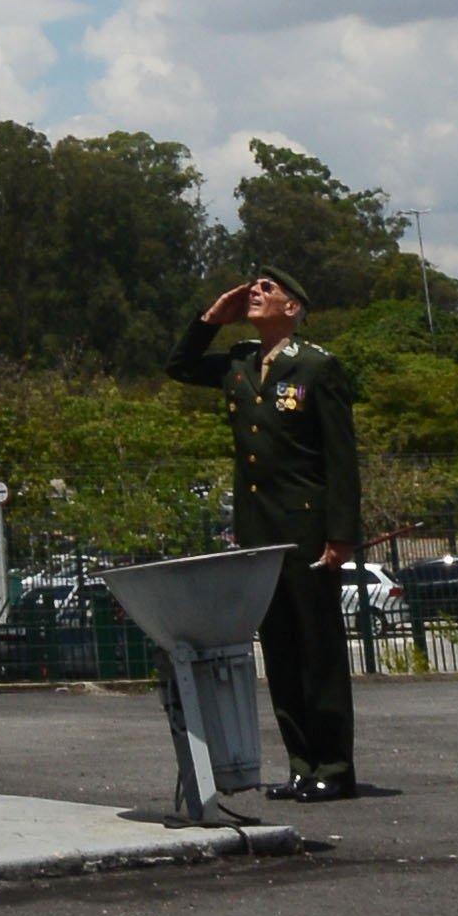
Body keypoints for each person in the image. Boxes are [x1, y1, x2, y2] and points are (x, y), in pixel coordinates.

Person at [168, 268, 361, 800]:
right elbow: (179, 367)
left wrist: (342, 534)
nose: (256, 293)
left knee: (317, 649)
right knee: (277, 649)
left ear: (294, 307)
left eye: (267, 289)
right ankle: (301, 763)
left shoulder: (318, 368)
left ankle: (335, 767)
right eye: (252, 288)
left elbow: (341, 459)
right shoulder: (239, 364)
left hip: (306, 526)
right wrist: (211, 319)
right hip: (258, 530)